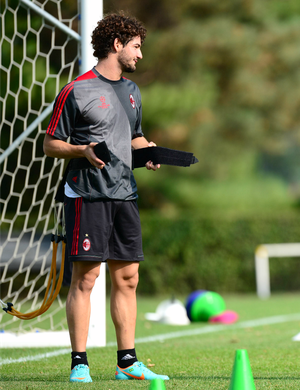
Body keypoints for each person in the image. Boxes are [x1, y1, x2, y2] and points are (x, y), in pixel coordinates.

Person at [43, 13, 168, 383]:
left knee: (128, 277)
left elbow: (134, 138)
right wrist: (82, 150)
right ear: (117, 45)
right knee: (86, 277)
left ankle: (127, 361)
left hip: (124, 193)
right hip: (87, 194)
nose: (140, 55)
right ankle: (79, 361)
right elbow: (51, 144)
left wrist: (150, 151)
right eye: (136, 47)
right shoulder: (76, 90)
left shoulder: (132, 91)